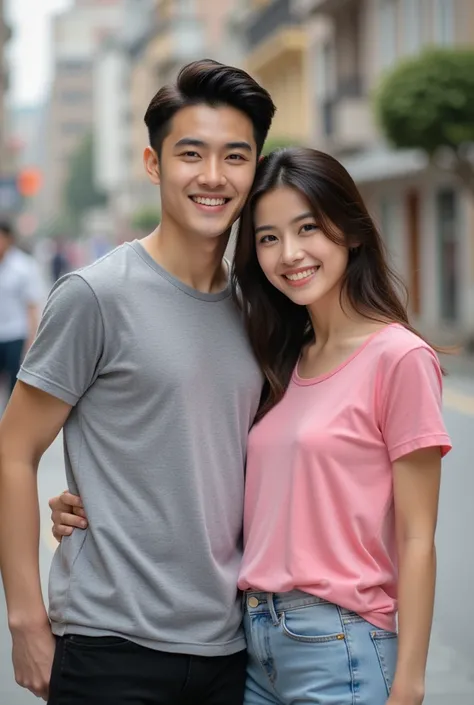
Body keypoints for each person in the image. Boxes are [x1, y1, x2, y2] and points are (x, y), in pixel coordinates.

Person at [53, 148, 452, 705]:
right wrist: (92, 499)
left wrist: (409, 682)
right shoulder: (278, 356)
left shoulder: (400, 358)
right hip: (252, 645)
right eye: (267, 237)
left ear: (352, 232)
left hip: (342, 644)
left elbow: (417, 538)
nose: (290, 254)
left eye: (307, 228)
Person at [0, 59, 275, 704]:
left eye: (236, 156)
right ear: (153, 165)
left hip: (231, 648)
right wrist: (25, 620)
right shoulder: (96, 296)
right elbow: (14, 450)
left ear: (256, 168)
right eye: (191, 154)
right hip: (110, 648)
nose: (213, 176)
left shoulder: (261, 312)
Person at [0, 221, 42, 401]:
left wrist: (32, 340)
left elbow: (32, 305)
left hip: (15, 333)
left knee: (13, 385)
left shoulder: (23, 266)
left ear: (9, 239)